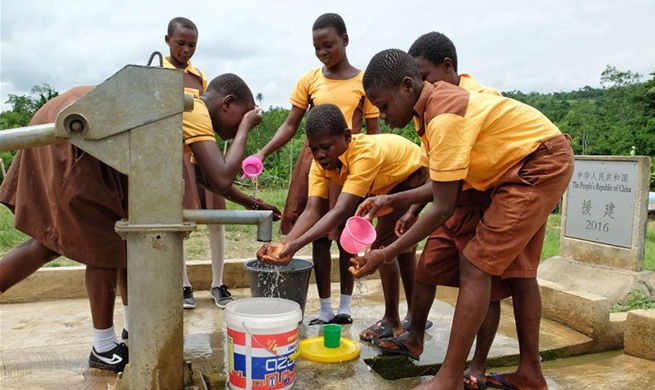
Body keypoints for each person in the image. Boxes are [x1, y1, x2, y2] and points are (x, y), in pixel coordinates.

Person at [0, 73, 280, 374]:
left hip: (89, 131)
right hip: (79, 131)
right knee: (99, 247)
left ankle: (133, 330)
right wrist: (246, 131)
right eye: (240, 119)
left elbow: (206, 177)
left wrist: (251, 203)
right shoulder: (195, 109)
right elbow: (222, 175)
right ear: (226, 103)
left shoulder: (186, 109)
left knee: (115, 244)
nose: (236, 131)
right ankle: (104, 347)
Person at [352, 49, 573, 390]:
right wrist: (389, 199)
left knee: (476, 265)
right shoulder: (427, 114)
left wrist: (385, 253)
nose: (381, 115)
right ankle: (530, 374)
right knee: (516, 272)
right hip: (521, 166)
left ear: (407, 87)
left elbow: (443, 206)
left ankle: (449, 378)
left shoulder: (443, 116)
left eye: (382, 105)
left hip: (537, 164)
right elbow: (438, 185)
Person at [373, 31, 510, 389]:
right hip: (453, 196)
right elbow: (436, 172)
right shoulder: (427, 112)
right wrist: (406, 206)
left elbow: (445, 196)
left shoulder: (468, 101)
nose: (422, 85)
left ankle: (474, 367)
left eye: (425, 76)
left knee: (481, 277)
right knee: (428, 268)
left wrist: (387, 251)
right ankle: (414, 336)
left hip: (482, 199)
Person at [252, 13, 380, 325]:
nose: (322, 51)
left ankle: (345, 306)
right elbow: (291, 124)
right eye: (316, 47)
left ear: (345, 40)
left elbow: (374, 133)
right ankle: (324, 308)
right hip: (315, 163)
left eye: (328, 45)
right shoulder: (310, 80)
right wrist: (264, 150)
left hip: (351, 165)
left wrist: (374, 175)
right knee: (317, 236)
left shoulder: (364, 82)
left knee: (348, 234)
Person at [257, 103, 425, 340]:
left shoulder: (364, 153)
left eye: (325, 147)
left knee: (383, 249)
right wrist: (285, 244)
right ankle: (416, 317)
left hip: (413, 177)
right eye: (313, 149)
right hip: (387, 184)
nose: (319, 155)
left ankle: (394, 319)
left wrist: (295, 247)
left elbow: (341, 211)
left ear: (347, 137)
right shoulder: (319, 164)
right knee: (402, 250)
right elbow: (313, 210)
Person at [161, 16, 233, 310]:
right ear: (168, 41)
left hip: (200, 155)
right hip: (172, 157)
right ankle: (183, 285)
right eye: (181, 43)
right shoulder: (156, 72)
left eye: (192, 45)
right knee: (178, 222)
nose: (186, 50)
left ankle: (218, 282)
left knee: (216, 219)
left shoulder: (198, 77)